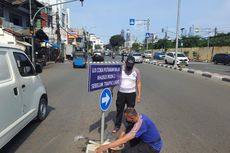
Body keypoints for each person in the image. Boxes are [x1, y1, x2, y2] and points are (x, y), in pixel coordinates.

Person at [95, 107, 163, 153]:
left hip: (152, 146)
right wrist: (121, 135)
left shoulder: (141, 124)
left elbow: (125, 139)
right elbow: (127, 130)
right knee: (124, 146)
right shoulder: (138, 116)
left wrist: (105, 147)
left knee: (127, 151)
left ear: (131, 118)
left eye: (126, 118)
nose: (126, 119)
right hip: (143, 140)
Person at [111, 55, 142, 133]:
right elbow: (115, 80)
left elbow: (138, 83)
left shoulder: (136, 71)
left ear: (134, 64)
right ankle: (117, 126)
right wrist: (111, 89)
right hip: (121, 93)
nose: (129, 67)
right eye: (128, 65)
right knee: (119, 110)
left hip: (131, 94)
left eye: (131, 66)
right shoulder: (120, 69)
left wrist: (139, 95)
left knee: (130, 112)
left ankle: (130, 127)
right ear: (125, 63)